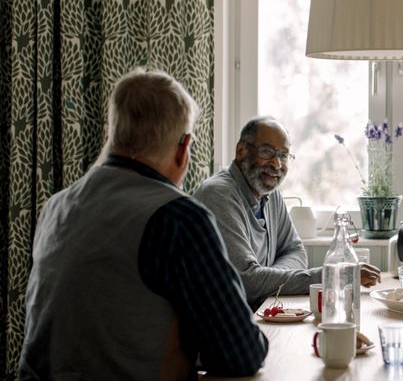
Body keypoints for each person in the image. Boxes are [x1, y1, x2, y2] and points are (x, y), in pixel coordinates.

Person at [19, 69, 268, 379]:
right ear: (183, 148)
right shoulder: (179, 219)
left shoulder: (54, 207)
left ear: (109, 135)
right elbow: (242, 353)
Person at [194, 116, 380, 309]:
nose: (276, 164)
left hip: (258, 315)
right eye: (267, 152)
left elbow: (296, 252)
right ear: (241, 151)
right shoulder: (219, 195)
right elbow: (247, 283)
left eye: (283, 155)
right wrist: (334, 276)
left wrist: (265, 281)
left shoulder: (270, 194)